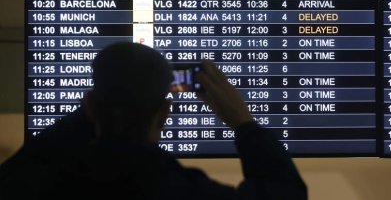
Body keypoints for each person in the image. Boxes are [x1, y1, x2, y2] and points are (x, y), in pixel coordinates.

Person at [0, 42, 307, 199]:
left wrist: (109, 96)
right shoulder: (180, 191)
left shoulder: (33, 184)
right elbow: (287, 194)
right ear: (164, 113)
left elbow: (29, 161)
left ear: (90, 106)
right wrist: (242, 121)